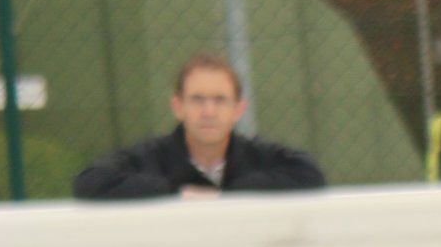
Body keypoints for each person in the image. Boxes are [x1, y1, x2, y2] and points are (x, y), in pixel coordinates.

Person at [72, 54, 325, 198]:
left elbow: (310, 175)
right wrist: (176, 191)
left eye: (220, 100)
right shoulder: (150, 157)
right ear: (177, 106)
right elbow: (89, 182)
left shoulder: (258, 156)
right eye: (197, 100)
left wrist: (228, 193)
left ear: (238, 109)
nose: (209, 112)